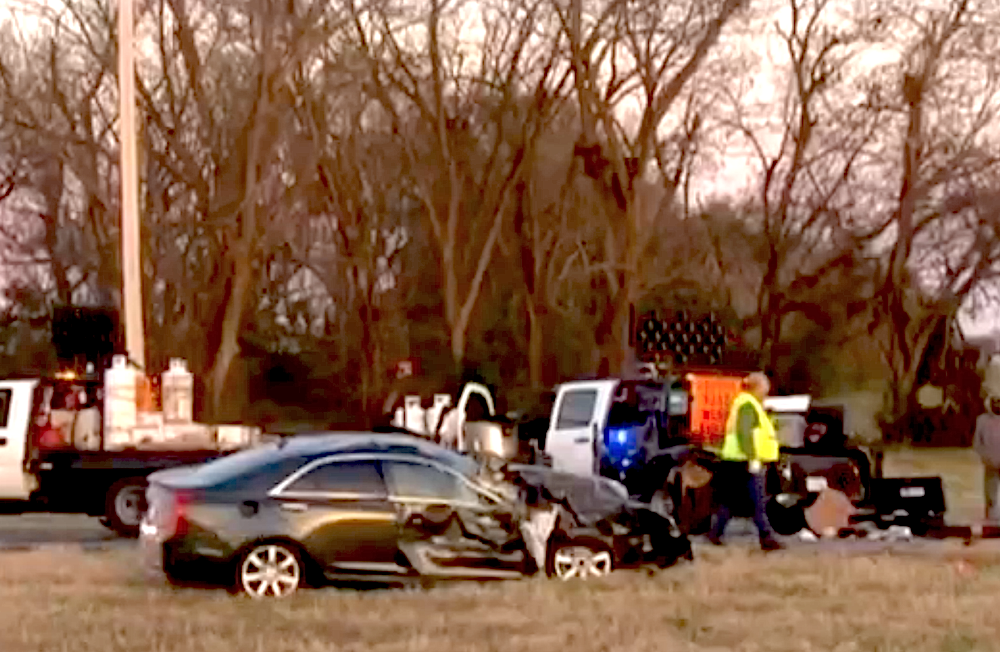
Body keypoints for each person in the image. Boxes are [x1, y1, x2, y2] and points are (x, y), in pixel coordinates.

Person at [708, 371, 784, 551]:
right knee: (758, 500)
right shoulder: (748, 405)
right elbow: (745, 433)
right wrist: (752, 459)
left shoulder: (743, 403)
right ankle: (766, 538)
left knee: (730, 499)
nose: (766, 392)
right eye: (765, 389)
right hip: (745, 460)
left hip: (734, 459)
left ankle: (715, 533)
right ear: (757, 388)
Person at [973, 395, 1000, 522]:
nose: (997, 405)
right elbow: (977, 441)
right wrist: (984, 456)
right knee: (990, 490)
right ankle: (991, 516)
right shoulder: (982, 420)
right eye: (995, 402)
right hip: (990, 460)